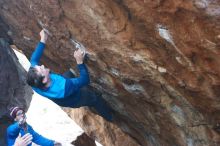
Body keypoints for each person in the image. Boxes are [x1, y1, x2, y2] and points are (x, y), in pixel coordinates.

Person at [26, 29, 112, 121]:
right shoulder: (64, 87)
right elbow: (85, 79)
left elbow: (34, 59)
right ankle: (109, 116)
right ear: (44, 80)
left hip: (61, 87)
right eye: (41, 69)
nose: (42, 65)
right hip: (75, 98)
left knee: (69, 74)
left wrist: (43, 39)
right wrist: (79, 62)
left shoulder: (34, 81)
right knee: (94, 98)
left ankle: (77, 82)